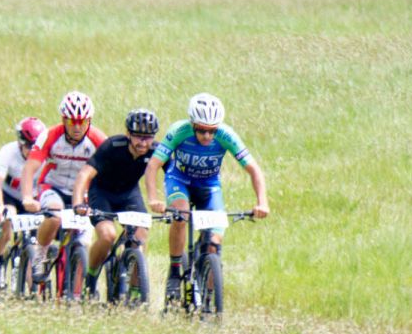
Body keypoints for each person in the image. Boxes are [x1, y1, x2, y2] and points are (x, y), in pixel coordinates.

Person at [145, 94, 270, 301]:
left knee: (213, 243)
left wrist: (262, 202)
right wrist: (153, 199)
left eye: (212, 131)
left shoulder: (226, 135)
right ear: (192, 124)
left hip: (209, 186)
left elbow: (254, 170)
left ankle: (209, 299)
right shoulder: (179, 131)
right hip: (179, 180)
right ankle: (175, 271)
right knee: (181, 215)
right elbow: (153, 166)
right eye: (202, 130)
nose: (207, 136)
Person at [20, 92, 107, 295]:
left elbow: (111, 171)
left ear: (89, 120)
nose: (77, 127)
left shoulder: (98, 139)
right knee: (54, 214)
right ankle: (40, 255)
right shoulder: (50, 135)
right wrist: (27, 197)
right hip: (53, 187)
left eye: (82, 122)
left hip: (83, 194)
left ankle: (74, 294)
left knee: (84, 243)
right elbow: (30, 168)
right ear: (63, 119)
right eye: (71, 121)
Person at [72, 109, 160, 297]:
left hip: (129, 194)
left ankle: (135, 291)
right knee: (107, 235)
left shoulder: (156, 151)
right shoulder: (113, 146)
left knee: (139, 236)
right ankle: (91, 278)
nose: (143, 143)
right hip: (102, 193)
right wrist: (78, 203)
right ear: (128, 134)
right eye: (138, 136)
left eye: (148, 137)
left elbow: (174, 175)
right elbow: (85, 174)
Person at [0, 116, 46, 287]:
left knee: (36, 241)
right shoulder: (8, 152)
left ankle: (31, 285)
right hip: (10, 196)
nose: (32, 151)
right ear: (20, 143)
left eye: (36, 147)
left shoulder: (45, 156)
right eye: (28, 147)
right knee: (6, 220)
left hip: (32, 199)